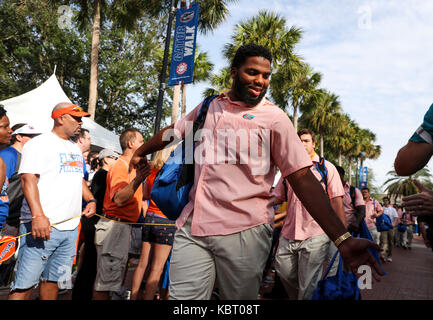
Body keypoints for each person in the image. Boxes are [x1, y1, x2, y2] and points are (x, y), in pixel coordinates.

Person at [129, 43, 383, 300]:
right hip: (193, 228)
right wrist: (141, 150)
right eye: (252, 72)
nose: (260, 81)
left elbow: (302, 178)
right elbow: (176, 130)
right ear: (234, 71)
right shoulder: (210, 106)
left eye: (266, 75)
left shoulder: (275, 119)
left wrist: (342, 239)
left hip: (245, 233)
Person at [8, 102, 97, 300]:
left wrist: (90, 199)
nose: (80, 123)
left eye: (81, 119)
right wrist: (38, 216)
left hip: (70, 228)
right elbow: (27, 178)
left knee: (55, 282)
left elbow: (77, 178)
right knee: (24, 285)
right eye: (76, 118)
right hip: (42, 226)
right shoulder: (39, 144)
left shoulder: (74, 147)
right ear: (60, 118)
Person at [271, 129, 346, 300]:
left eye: (306, 141)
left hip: (316, 234)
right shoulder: (287, 171)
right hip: (289, 233)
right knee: (283, 271)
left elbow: (336, 201)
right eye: (299, 142)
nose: (302, 145)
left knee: (309, 284)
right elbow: (276, 197)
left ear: (313, 144)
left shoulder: (327, 168)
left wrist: (343, 238)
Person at [92, 129, 150, 300]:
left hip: (121, 227)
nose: (144, 144)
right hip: (115, 228)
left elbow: (142, 195)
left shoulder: (130, 166)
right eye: (141, 141)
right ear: (131, 144)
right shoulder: (120, 166)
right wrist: (138, 179)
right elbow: (119, 198)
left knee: (109, 281)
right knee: (105, 284)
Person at [71, 148, 118, 300]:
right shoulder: (103, 175)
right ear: (106, 159)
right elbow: (104, 198)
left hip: (94, 221)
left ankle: (82, 292)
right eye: (114, 157)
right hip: (94, 222)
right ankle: (82, 294)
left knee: (91, 262)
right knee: (90, 263)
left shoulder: (103, 174)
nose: (116, 160)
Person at [130, 150, 177, 300]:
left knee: (142, 264)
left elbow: (145, 196)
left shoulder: (152, 172)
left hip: (150, 217)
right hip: (166, 220)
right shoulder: (173, 173)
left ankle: (133, 297)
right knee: (157, 269)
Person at [0, 124, 41, 236]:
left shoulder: (27, 156)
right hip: (5, 218)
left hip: (16, 218)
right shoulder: (8, 155)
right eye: (31, 136)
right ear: (18, 137)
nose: (35, 140)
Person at [379, 196, 399, 263]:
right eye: (384, 200)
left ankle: (390, 256)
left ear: (389, 201)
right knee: (384, 242)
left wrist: (393, 224)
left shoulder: (392, 209)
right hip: (384, 228)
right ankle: (383, 255)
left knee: (390, 242)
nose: (385, 202)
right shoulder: (381, 209)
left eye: (386, 200)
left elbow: (396, 217)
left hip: (391, 228)